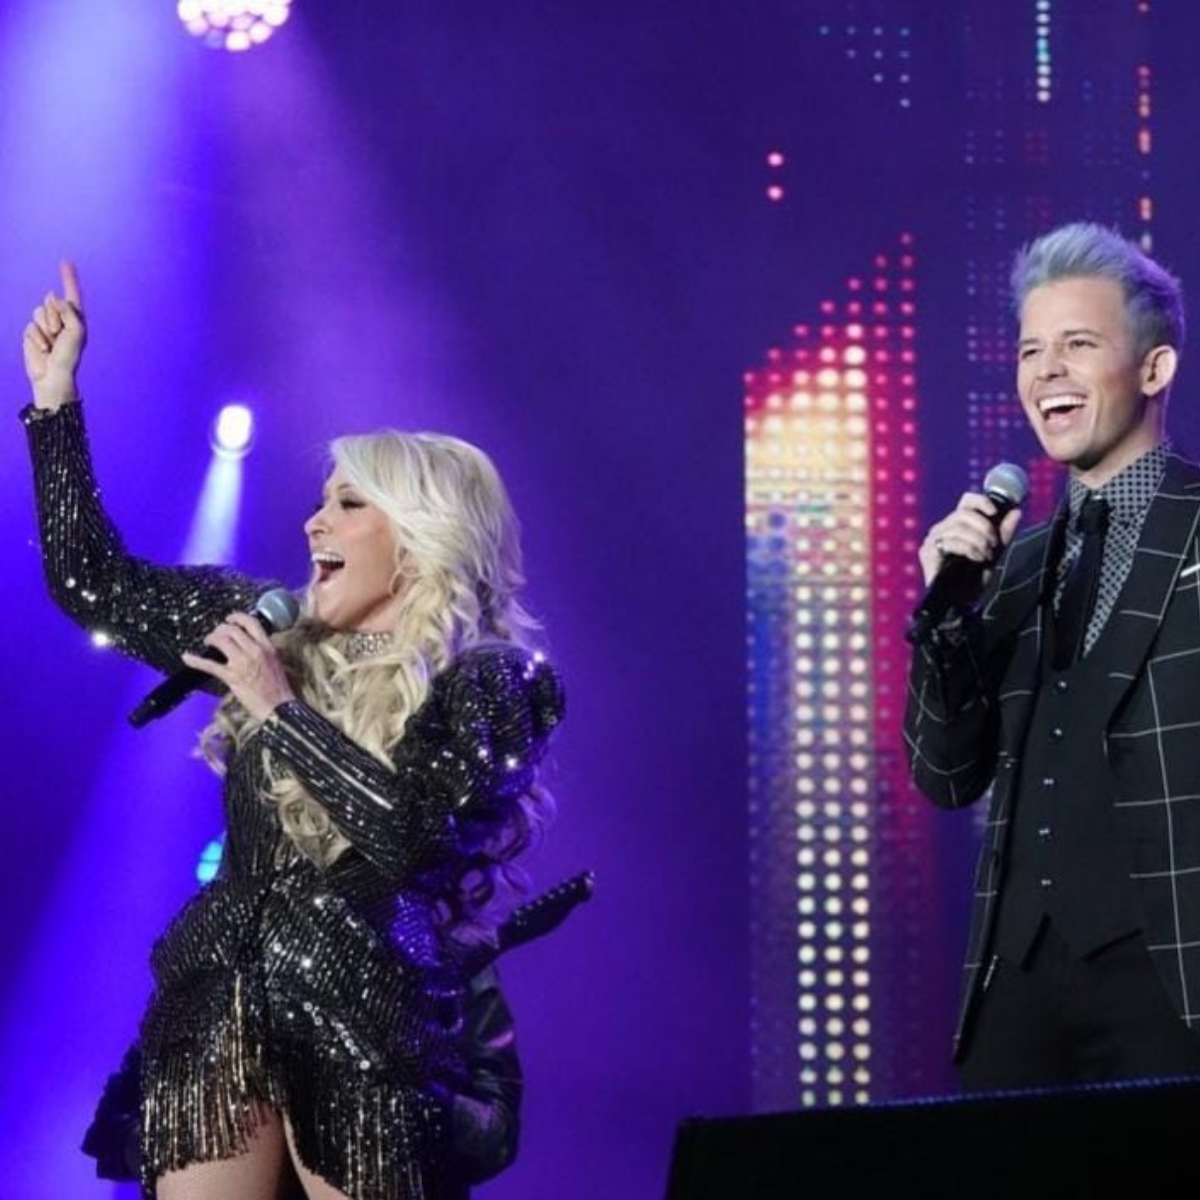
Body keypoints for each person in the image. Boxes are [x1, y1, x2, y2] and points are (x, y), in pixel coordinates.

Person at [22, 263, 566, 1199]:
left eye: (350, 504)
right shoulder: (269, 629)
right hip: (224, 996)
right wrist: (56, 400)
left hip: (370, 1011)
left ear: (423, 535)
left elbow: (406, 837)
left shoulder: (491, 680)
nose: (316, 522)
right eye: (321, 499)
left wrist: (281, 710)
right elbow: (93, 584)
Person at [905, 222, 1200, 1091]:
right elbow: (945, 775)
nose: (1047, 372)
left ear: (1154, 369)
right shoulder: (1014, 560)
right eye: (1032, 350)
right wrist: (947, 616)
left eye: (1078, 345)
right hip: (1018, 981)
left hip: (1172, 971)